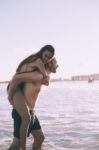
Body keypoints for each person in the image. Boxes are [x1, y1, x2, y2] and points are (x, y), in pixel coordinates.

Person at [8, 45, 55, 150]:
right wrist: (10, 96)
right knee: (17, 144)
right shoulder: (38, 67)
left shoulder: (37, 67)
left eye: (49, 58)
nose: (46, 59)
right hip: (16, 91)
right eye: (46, 56)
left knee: (40, 137)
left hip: (28, 104)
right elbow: (16, 79)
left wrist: (46, 79)